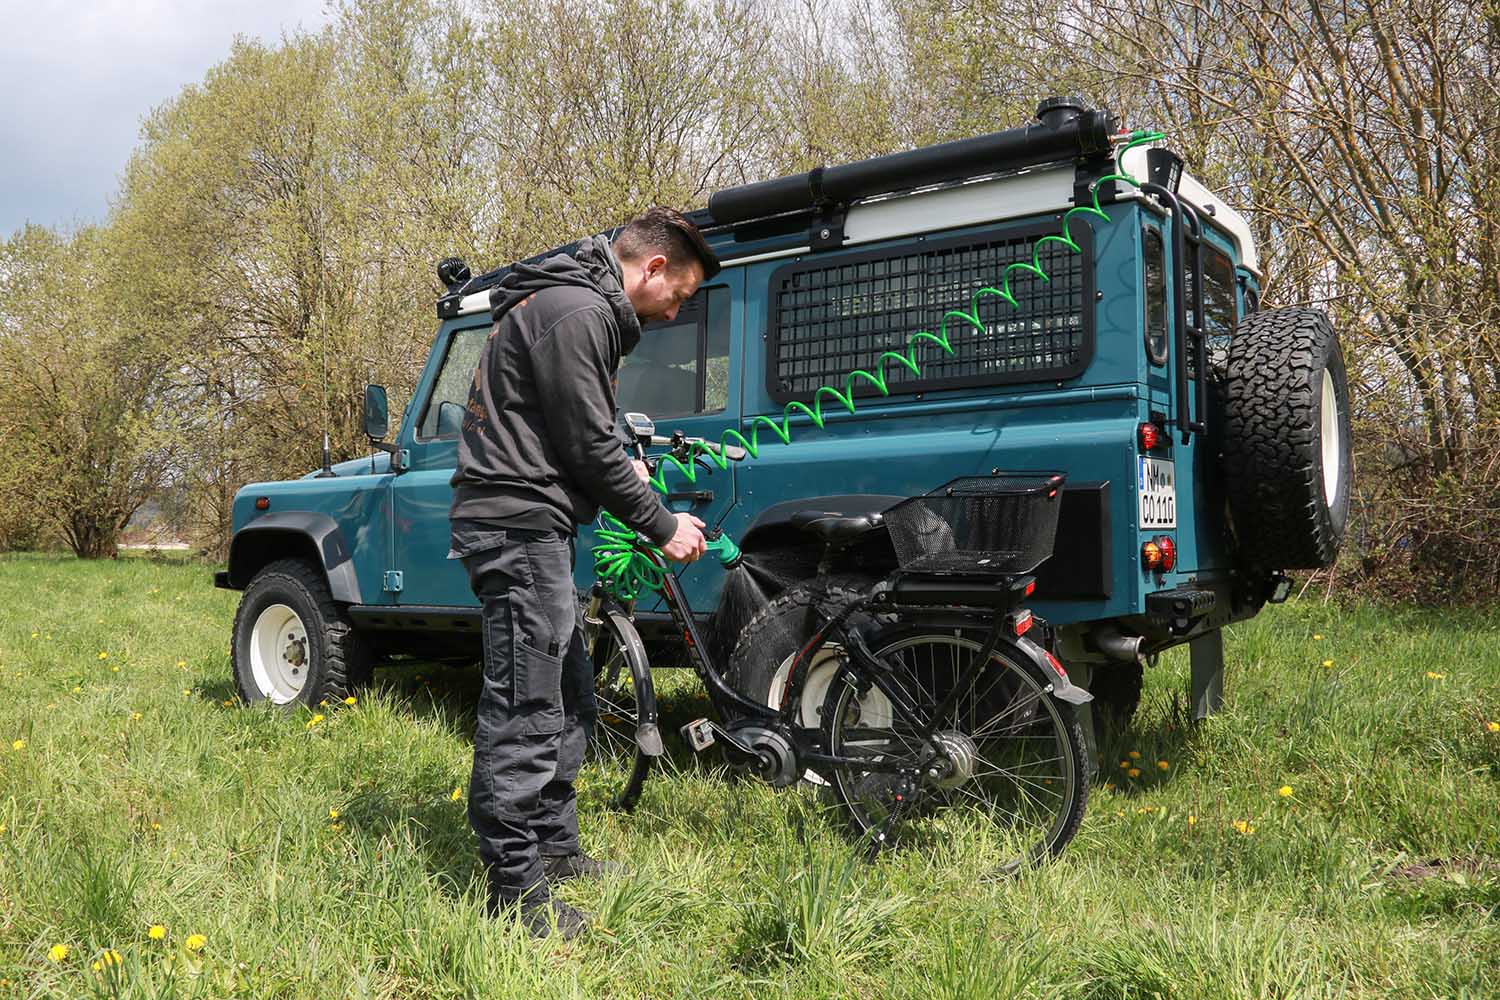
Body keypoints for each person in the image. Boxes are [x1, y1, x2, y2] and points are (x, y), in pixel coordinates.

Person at [448, 207, 719, 938]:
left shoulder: (571, 306)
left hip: (535, 523)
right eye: (681, 295)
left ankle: (557, 850)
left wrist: (613, 459)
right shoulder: (577, 311)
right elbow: (588, 446)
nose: (674, 311)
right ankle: (514, 892)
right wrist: (663, 525)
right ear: (653, 267)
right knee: (526, 710)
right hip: (516, 526)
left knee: (570, 698)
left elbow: (579, 434)